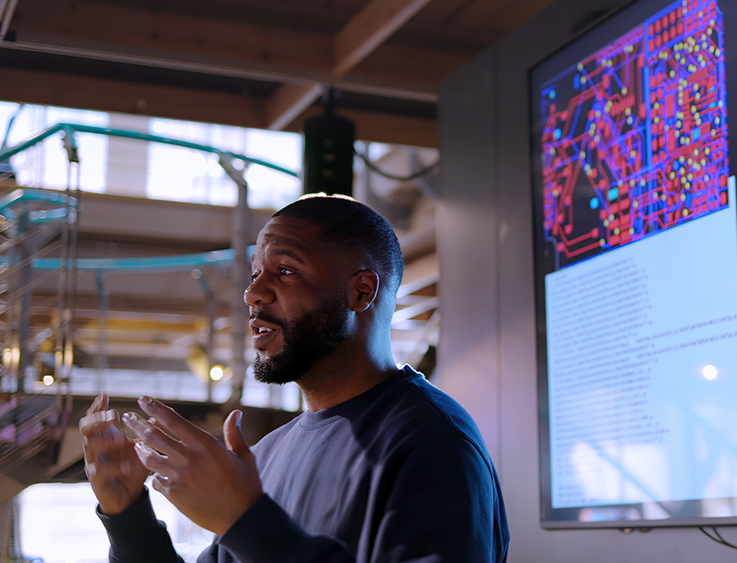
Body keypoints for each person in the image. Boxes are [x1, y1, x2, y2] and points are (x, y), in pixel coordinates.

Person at [79, 194, 510, 562]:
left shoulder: (435, 443)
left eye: (285, 270)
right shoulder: (265, 455)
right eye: (255, 275)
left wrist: (246, 523)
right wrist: (128, 516)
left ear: (361, 291)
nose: (252, 293)